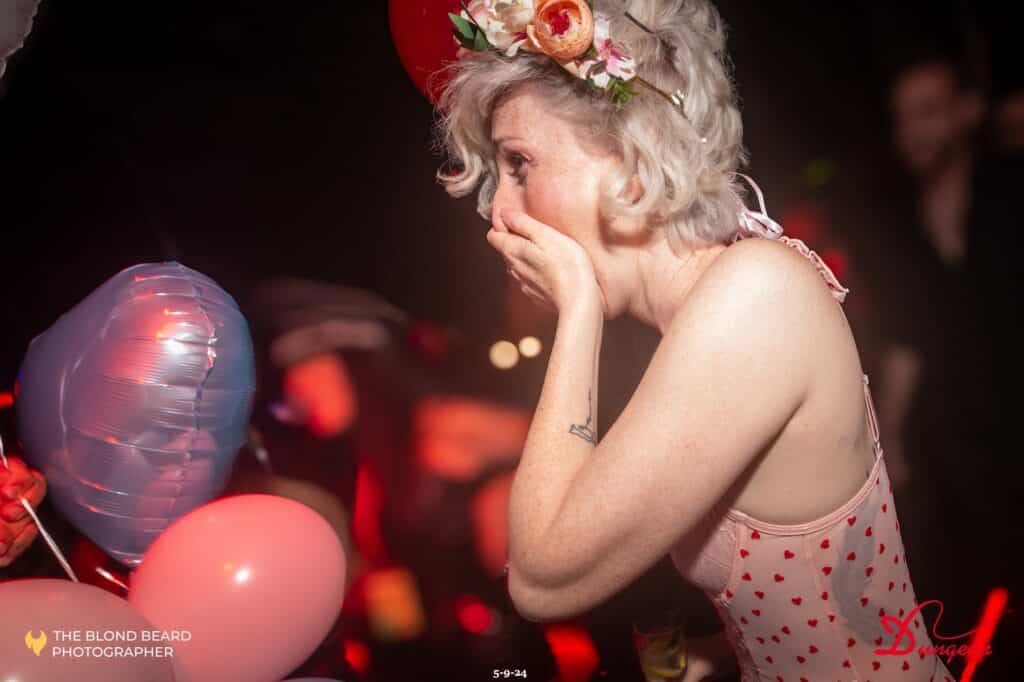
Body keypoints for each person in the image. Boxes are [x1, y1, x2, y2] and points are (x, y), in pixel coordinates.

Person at [432, 1, 955, 680]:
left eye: (519, 162)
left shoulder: (755, 294)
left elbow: (539, 579)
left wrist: (578, 309)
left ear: (630, 160)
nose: (500, 210)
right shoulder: (717, 304)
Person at [872, 50, 1022, 679]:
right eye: (903, 117)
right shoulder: (897, 225)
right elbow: (905, 340)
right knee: (979, 590)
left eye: (928, 111)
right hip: (959, 443)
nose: (913, 131)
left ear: (967, 111)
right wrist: (892, 440)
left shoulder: (1011, 191)